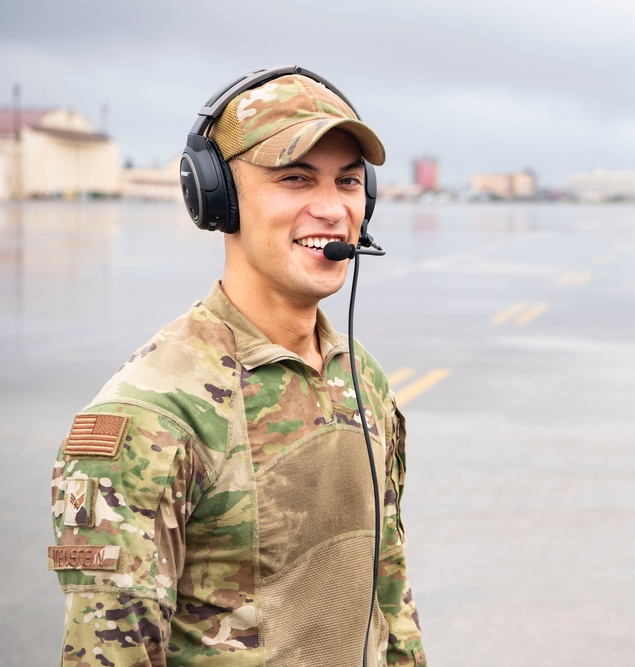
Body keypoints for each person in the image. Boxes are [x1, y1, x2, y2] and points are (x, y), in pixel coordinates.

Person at [48, 68, 426, 666]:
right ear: (217, 196)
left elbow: (389, 592)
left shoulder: (359, 377)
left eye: (348, 182)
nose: (331, 208)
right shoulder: (151, 414)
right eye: (295, 179)